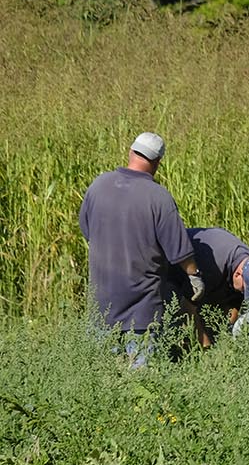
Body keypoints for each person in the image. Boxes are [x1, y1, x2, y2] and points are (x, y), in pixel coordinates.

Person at [78, 132, 204, 364]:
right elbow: (179, 251)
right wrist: (194, 276)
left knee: (101, 381)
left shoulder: (98, 186)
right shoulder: (159, 198)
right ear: (157, 163)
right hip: (143, 311)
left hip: (101, 307)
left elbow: (88, 232)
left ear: (131, 152)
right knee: (142, 387)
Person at [182, 226, 249, 345]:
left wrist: (228, 336)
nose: (244, 292)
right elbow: (187, 308)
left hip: (215, 267)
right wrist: (206, 347)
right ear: (238, 274)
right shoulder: (213, 267)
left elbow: (237, 304)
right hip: (173, 260)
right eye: (244, 289)